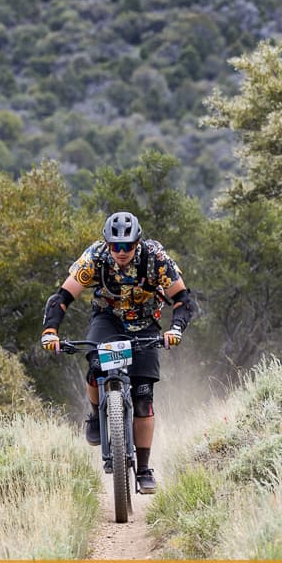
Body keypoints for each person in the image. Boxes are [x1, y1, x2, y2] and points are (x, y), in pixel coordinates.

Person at [40, 211, 195, 494]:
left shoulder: (155, 258)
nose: (121, 252)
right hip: (108, 320)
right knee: (96, 363)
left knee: (143, 397)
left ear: (138, 242)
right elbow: (62, 298)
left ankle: (145, 469)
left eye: (127, 246)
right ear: (107, 244)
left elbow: (183, 299)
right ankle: (94, 414)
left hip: (146, 325)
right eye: (115, 246)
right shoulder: (95, 258)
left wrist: (176, 329)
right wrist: (50, 331)